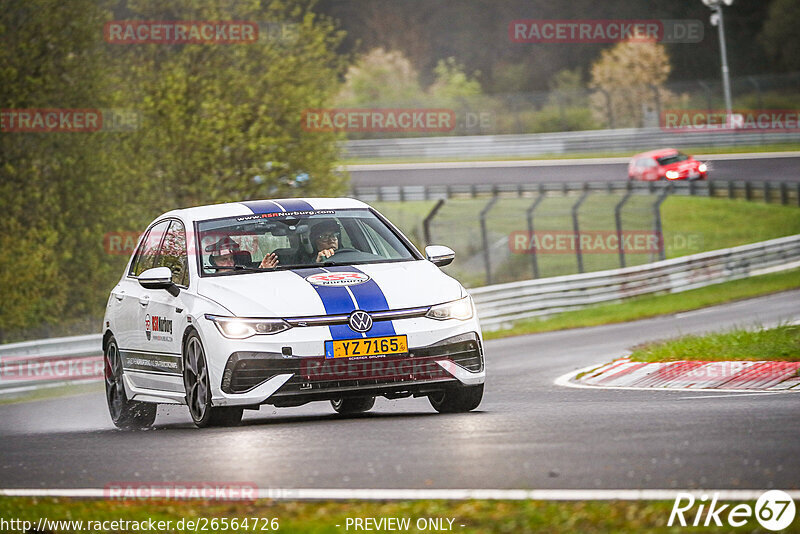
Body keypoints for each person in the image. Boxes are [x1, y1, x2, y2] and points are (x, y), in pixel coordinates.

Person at [206, 235, 278, 269]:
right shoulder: (208, 279)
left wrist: (262, 270)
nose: (230, 263)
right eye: (223, 259)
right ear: (214, 261)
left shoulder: (243, 272)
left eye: (231, 258)